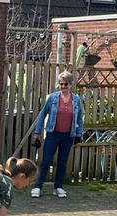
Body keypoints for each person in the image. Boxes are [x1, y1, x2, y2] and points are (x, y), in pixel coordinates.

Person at [31, 70, 84, 199]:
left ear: (70, 85)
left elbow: (79, 120)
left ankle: (58, 187)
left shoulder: (76, 100)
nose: (63, 86)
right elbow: (43, 114)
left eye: (65, 84)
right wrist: (37, 132)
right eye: (61, 84)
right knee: (46, 160)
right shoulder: (53, 98)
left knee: (62, 162)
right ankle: (38, 186)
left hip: (68, 136)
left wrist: (78, 137)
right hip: (53, 134)